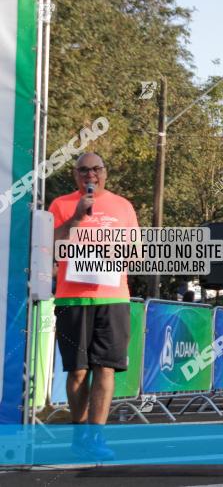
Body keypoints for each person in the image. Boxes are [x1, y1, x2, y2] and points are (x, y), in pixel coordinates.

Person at [50, 153, 139, 461]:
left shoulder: (123, 206)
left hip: (113, 297)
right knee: (76, 370)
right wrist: (75, 219)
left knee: (105, 368)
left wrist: (120, 254)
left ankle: (96, 436)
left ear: (105, 173)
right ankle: (79, 434)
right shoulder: (60, 205)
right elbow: (49, 245)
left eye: (96, 169)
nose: (90, 174)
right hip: (71, 299)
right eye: (83, 170)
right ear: (75, 175)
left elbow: (136, 252)